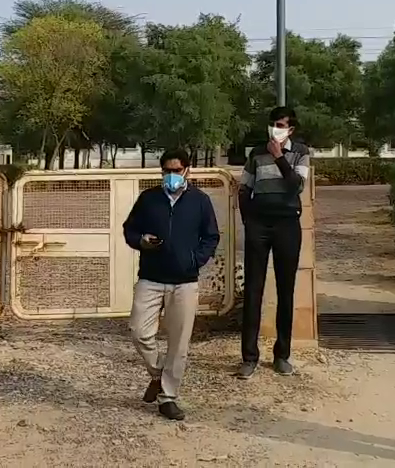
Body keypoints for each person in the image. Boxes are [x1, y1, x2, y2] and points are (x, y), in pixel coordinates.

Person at [123, 148, 220, 421]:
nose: (171, 176)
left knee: (179, 343)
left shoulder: (200, 201)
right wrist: (141, 240)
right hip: (151, 278)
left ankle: (168, 397)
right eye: (166, 170)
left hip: (185, 282)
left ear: (188, 170)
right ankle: (158, 373)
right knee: (138, 330)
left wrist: (195, 260)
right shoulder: (149, 199)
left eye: (176, 170)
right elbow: (129, 229)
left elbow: (211, 237)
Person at [236, 106, 311, 379]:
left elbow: (296, 186)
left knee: (285, 290)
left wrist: (280, 157)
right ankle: (249, 357)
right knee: (253, 290)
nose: (275, 129)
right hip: (259, 226)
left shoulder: (301, 152)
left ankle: (282, 355)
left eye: (281, 125)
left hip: (287, 225)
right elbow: (244, 188)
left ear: (290, 129)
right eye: (273, 123)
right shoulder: (256, 153)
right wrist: (248, 219)